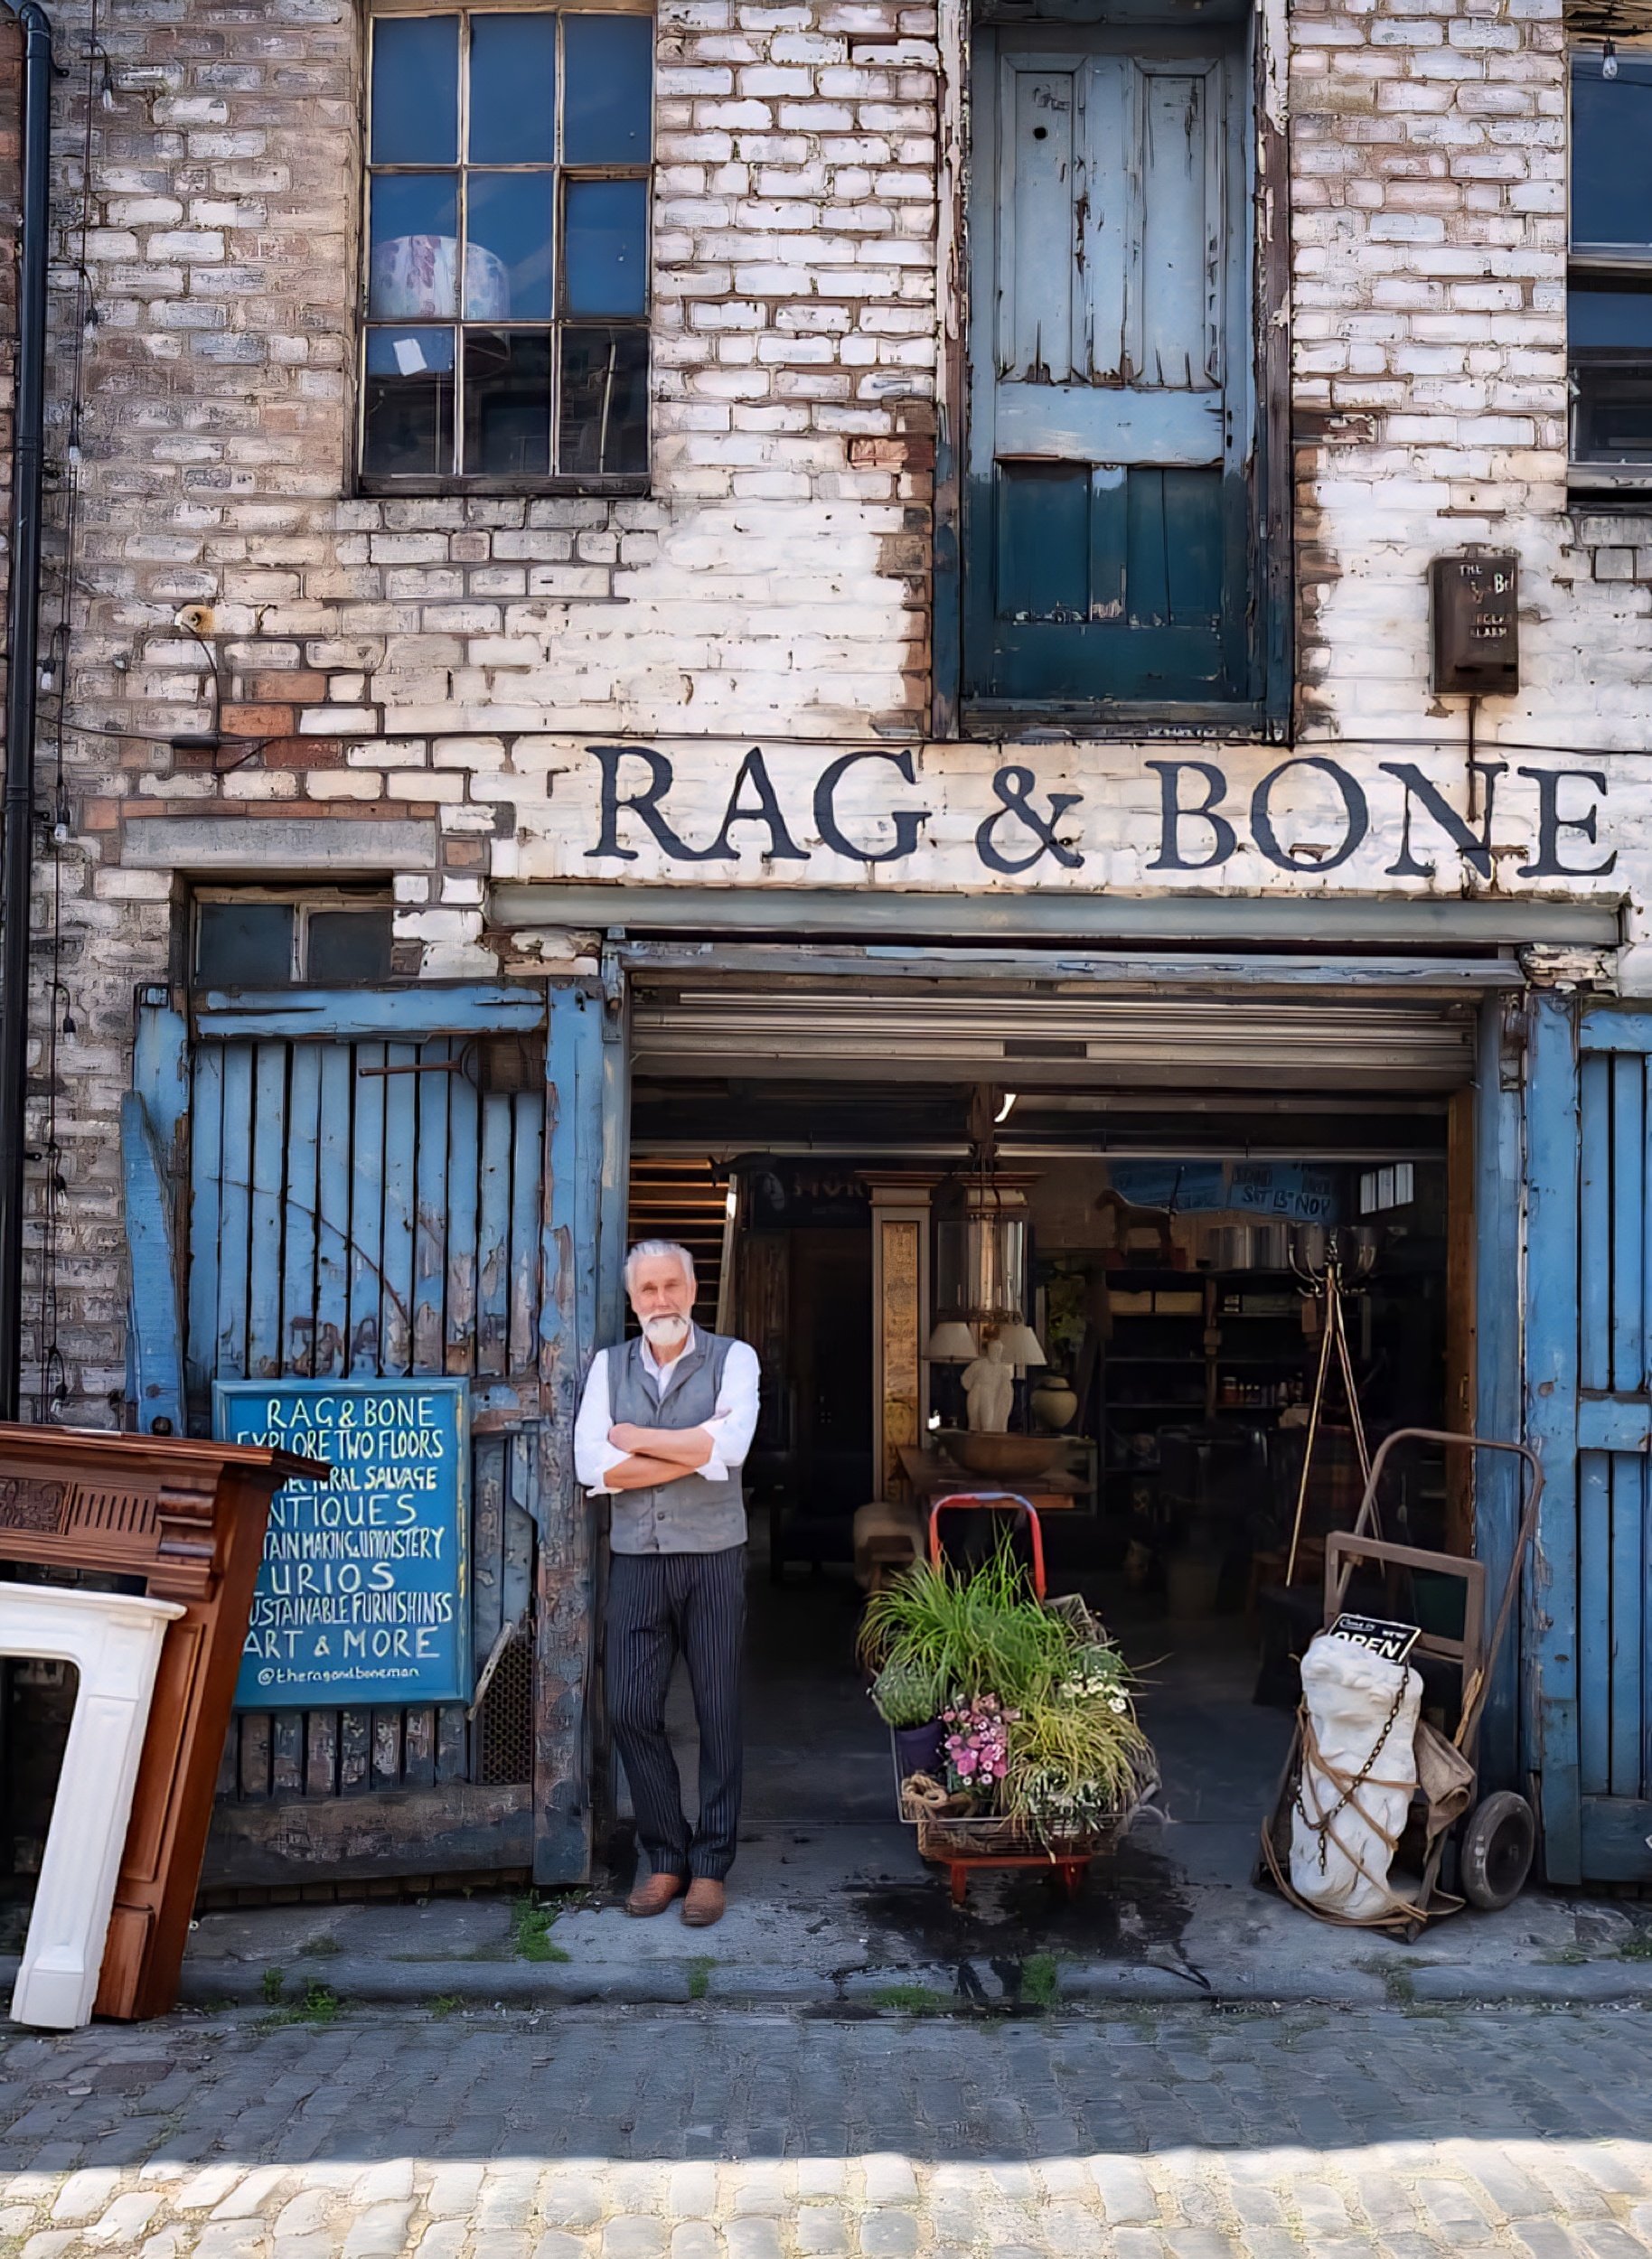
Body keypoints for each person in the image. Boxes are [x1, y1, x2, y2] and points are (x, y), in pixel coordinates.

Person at [573, 1239, 761, 1927]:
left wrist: (634, 1438)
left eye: (671, 1286)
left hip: (714, 1558)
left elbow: (731, 1449)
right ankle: (666, 1853)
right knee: (628, 1709)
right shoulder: (607, 1366)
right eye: (647, 1290)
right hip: (639, 1561)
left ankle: (710, 1865)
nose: (661, 1301)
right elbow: (593, 1465)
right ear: (632, 1301)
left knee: (717, 1714)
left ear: (692, 1289)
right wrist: (690, 1449)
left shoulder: (733, 1359)